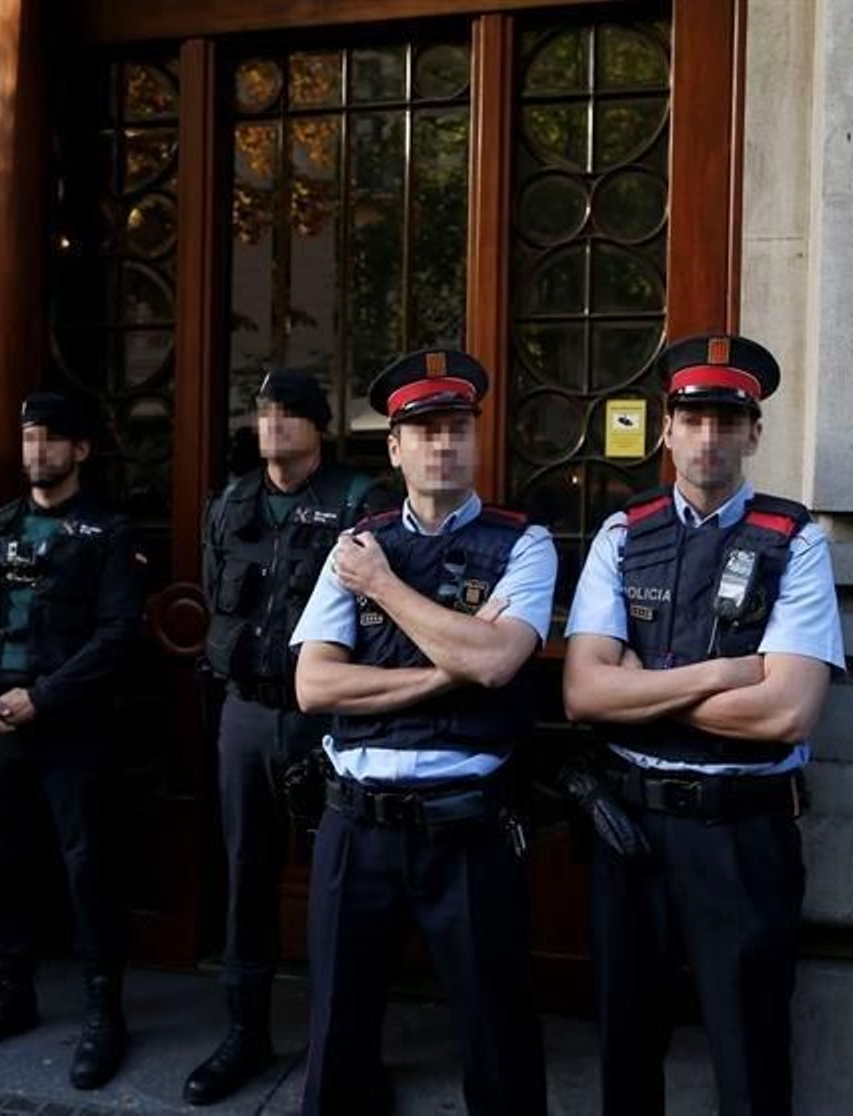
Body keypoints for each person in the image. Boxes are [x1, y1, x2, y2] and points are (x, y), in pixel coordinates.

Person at [561, 333, 845, 1116]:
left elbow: (787, 708)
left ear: (755, 432)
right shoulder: (624, 533)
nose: (709, 435)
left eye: (729, 418)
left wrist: (641, 686)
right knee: (625, 1039)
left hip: (742, 832)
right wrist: (721, 674)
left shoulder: (797, 541)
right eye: (693, 416)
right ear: (666, 427)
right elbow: (583, 693)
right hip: (631, 830)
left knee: (749, 1048)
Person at [290, 348, 555, 1116]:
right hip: (355, 827)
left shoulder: (522, 542)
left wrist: (383, 588)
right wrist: (445, 671)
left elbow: (501, 662)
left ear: (477, 441)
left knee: (497, 1038)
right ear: (395, 448)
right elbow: (315, 684)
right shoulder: (357, 543)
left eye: (458, 429)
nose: (444, 445)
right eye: (426, 430)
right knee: (336, 1036)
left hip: (465, 829)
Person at [183, 369, 390, 1106]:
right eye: (266, 412)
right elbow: (217, 595)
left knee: (346, 885)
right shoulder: (233, 501)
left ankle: (347, 1050)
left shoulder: (357, 503)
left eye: (290, 413)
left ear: (319, 426)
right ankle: (245, 1031)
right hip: (246, 713)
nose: (273, 425)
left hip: (329, 717)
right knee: (247, 873)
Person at [0, 391, 145, 1090]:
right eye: (28, 437)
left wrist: (44, 696)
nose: (36, 451)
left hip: (71, 730)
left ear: (81, 450)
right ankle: (10, 994)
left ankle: (102, 1012)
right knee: (2, 865)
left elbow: (118, 636)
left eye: (51, 439)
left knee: (89, 870)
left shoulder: (109, 535)